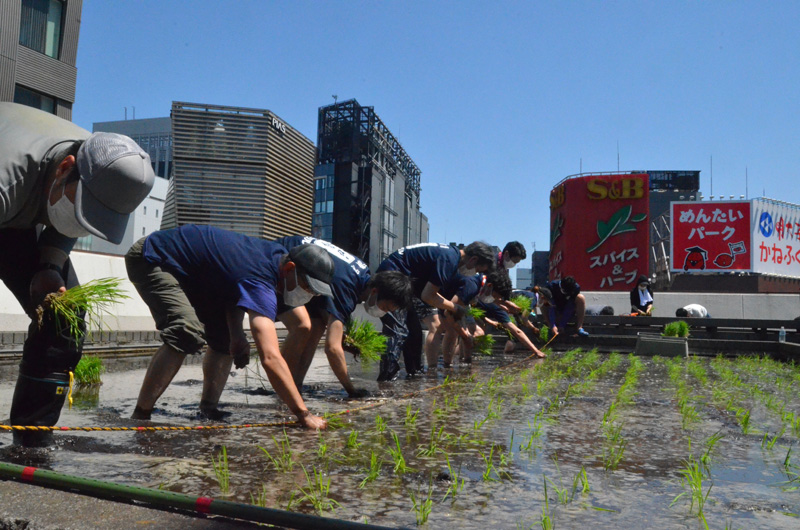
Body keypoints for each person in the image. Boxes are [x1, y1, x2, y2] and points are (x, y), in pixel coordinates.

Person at [1, 102, 155, 445]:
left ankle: (30, 442)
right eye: (81, 208)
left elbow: (65, 216)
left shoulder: (99, 162)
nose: (80, 221)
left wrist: (49, 266)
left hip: (21, 212)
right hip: (12, 190)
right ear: (65, 167)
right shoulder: (8, 175)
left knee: (62, 316)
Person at [125, 224, 334, 430]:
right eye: (307, 287)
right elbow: (270, 357)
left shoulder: (277, 257)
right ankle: (141, 415)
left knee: (223, 341)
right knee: (186, 330)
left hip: (200, 278)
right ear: (290, 269)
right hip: (155, 257)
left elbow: (232, 285)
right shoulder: (262, 279)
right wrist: (303, 413)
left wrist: (236, 335)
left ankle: (208, 410)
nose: (308, 295)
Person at [273, 236, 412, 397]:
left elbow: (328, 320)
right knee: (302, 327)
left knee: (316, 327)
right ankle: (283, 388)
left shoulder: (361, 276)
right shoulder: (348, 288)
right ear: (375, 291)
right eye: (385, 307)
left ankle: (296, 385)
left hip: (307, 268)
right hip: (286, 266)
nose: (383, 312)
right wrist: (351, 389)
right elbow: (332, 348)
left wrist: (344, 338)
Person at [376, 241, 496, 381]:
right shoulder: (449, 260)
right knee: (398, 330)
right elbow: (428, 296)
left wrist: (453, 307)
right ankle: (387, 379)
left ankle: (414, 373)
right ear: (473, 259)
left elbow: (429, 294)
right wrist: (455, 307)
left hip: (405, 284)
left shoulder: (450, 255)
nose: (475, 273)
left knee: (414, 332)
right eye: (478, 270)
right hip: (392, 279)